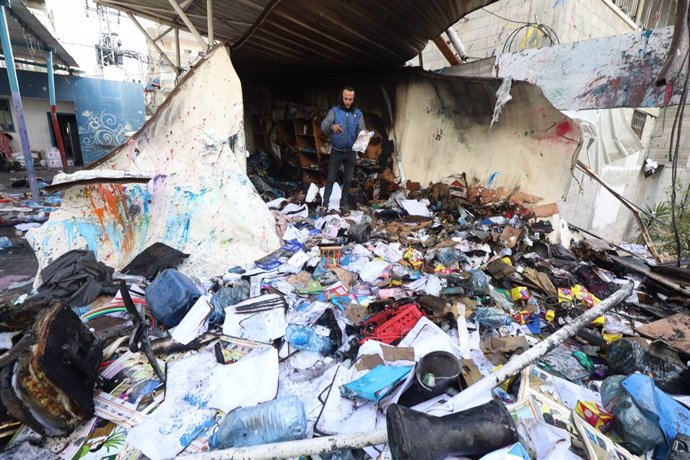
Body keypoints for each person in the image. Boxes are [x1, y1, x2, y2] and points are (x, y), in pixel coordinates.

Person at [319, 86, 366, 215]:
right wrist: (331, 127)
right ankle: (324, 205)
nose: (348, 102)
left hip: (351, 152)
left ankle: (344, 205)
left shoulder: (358, 113)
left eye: (350, 99)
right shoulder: (334, 111)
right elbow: (323, 126)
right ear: (342, 97)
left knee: (347, 180)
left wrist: (364, 135)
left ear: (354, 99)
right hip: (336, 151)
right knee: (330, 178)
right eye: (346, 98)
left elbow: (362, 129)